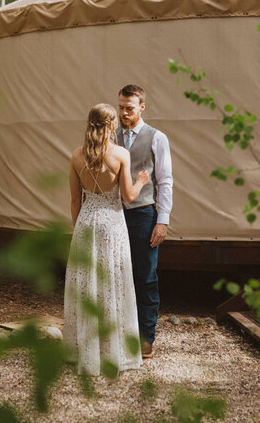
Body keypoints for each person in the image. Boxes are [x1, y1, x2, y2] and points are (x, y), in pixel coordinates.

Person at [64, 103, 149, 376]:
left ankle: (84, 351)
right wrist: (141, 181)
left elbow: (75, 200)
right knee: (113, 282)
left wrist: (77, 231)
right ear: (111, 125)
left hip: (86, 223)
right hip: (112, 224)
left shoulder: (77, 156)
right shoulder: (120, 154)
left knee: (88, 284)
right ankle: (113, 352)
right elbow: (128, 197)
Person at [116, 85, 173, 359]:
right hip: (114, 214)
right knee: (116, 274)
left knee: (145, 276)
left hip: (143, 215)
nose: (124, 113)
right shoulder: (111, 136)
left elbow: (165, 180)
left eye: (129, 108)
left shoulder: (156, 137)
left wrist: (162, 220)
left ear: (142, 107)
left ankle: (145, 337)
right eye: (121, 108)